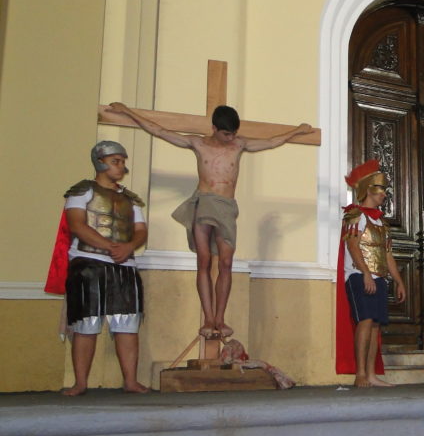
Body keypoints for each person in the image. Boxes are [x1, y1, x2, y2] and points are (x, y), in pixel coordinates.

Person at [106, 102, 313, 339]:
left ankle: (220, 319)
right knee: (203, 260)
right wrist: (128, 111)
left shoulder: (239, 145)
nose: (231, 137)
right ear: (214, 128)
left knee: (225, 263)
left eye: (234, 133)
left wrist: (296, 130)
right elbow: (159, 130)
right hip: (204, 202)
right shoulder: (199, 143)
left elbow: (272, 141)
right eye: (226, 133)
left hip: (226, 207)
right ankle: (208, 318)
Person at [56, 141, 149, 395]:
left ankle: (130, 381)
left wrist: (128, 247)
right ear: (100, 162)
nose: (121, 166)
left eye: (122, 161)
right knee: (87, 324)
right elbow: (77, 225)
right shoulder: (81, 191)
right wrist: (111, 247)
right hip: (89, 264)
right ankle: (81, 383)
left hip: (125, 266)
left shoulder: (132, 200)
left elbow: (140, 231)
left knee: (127, 325)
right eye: (116, 161)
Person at [336, 159, 407, 387]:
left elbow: (387, 255)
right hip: (359, 276)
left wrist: (398, 281)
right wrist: (365, 273)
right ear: (369, 189)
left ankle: (371, 374)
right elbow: (353, 246)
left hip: (379, 277)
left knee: (375, 325)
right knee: (365, 322)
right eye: (381, 190)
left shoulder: (381, 223)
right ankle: (360, 375)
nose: (384, 195)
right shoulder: (355, 215)